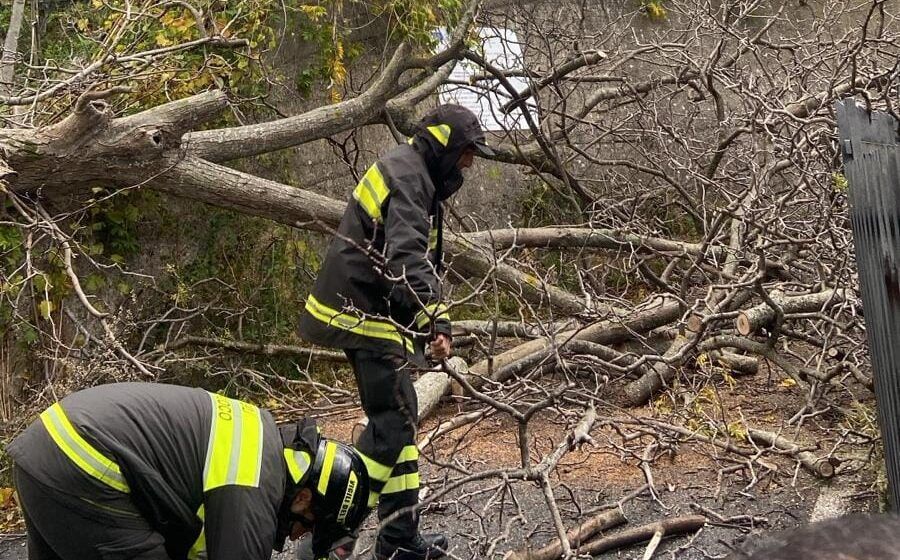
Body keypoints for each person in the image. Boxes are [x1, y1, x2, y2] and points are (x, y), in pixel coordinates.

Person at [298, 104, 492, 560]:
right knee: (394, 420)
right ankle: (330, 533)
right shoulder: (410, 177)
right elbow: (407, 257)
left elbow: (395, 258)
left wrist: (421, 321)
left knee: (399, 419)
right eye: (466, 153)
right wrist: (436, 321)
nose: (468, 164)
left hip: (368, 310)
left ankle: (399, 538)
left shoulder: (411, 172)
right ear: (443, 146)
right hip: (357, 311)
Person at [6, 382, 369, 560]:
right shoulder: (255, 490)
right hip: (84, 464)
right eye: (307, 524)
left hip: (48, 446)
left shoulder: (262, 441)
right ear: (303, 495)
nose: (295, 537)